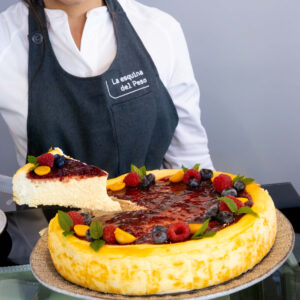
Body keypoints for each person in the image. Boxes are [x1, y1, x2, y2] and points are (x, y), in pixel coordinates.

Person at [0, 0, 213, 263]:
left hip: (161, 250)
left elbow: (192, 165)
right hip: (52, 257)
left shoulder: (159, 30)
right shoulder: (5, 40)